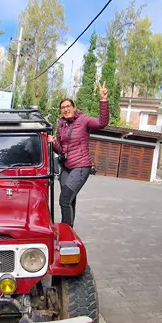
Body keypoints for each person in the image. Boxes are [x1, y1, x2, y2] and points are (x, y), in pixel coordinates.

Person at [48, 82, 109, 227]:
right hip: (65, 167)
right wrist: (52, 142)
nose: (66, 109)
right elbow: (61, 150)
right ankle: (70, 230)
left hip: (80, 166)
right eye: (63, 108)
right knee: (70, 200)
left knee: (64, 199)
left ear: (74, 108)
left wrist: (103, 100)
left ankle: (65, 233)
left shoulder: (84, 120)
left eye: (68, 106)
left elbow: (102, 123)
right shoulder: (61, 124)